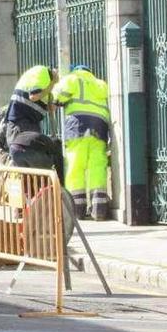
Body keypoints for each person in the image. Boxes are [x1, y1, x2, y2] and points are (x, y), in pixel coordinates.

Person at [52, 64, 111, 220]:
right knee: (97, 167)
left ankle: (77, 210)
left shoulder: (72, 79)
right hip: (100, 128)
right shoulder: (101, 84)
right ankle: (99, 210)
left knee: (75, 167)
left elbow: (56, 97)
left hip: (77, 127)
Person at [4, 65, 59, 146]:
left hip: (32, 123)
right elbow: (33, 97)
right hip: (20, 122)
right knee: (24, 153)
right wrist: (52, 85)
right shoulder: (43, 72)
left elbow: (50, 108)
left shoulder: (51, 85)